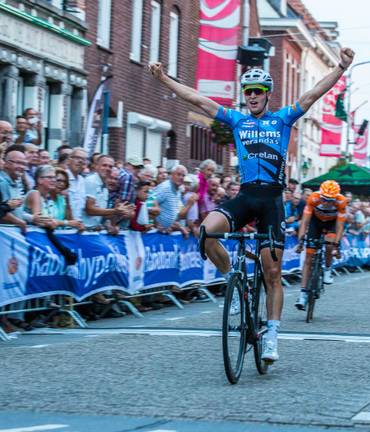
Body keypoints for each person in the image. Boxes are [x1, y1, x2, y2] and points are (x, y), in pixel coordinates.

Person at [149, 46, 355, 363]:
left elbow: (314, 93)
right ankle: (232, 276)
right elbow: (197, 100)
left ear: (267, 94)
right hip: (245, 196)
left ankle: (272, 336)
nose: (253, 95)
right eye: (248, 91)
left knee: (272, 275)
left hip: (272, 200)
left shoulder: (283, 119)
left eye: (258, 91)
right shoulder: (236, 121)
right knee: (206, 232)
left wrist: (341, 67)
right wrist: (162, 78)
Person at [294, 180, 347, 310]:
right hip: (315, 222)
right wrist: (301, 241)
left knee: (329, 244)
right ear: (320, 195)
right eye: (324, 199)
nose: (327, 203)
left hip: (332, 223)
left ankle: (328, 269)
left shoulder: (341, 201)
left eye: (330, 200)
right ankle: (302, 293)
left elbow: (340, 226)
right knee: (308, 257)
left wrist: (336, 244)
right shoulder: (313, 198)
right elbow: (305, 222)